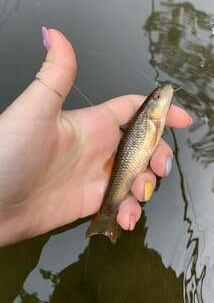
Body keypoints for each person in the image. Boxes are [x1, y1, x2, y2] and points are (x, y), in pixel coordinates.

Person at [0, 28, 192, 247]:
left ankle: (106, 216)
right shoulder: (150, 121)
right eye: (158, 96)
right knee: (138, 183)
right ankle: (106, 216)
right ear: (151, 108)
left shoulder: (153, 120)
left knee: (139, 182)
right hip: (124, 165)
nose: (164, 93)